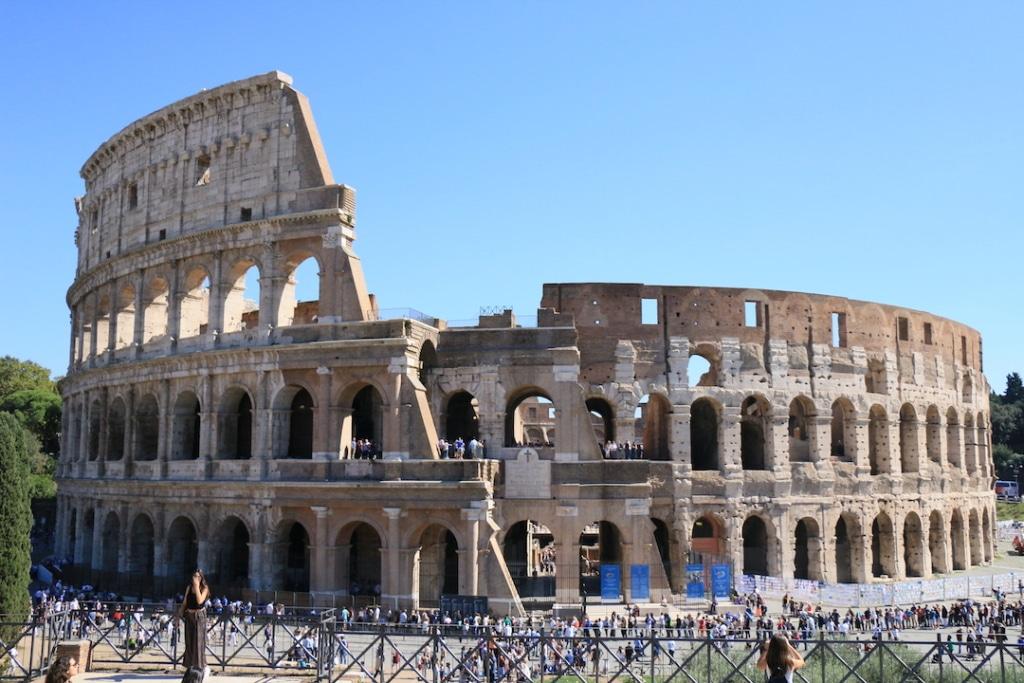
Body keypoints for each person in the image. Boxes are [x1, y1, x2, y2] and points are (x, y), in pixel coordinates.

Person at [177, 570, 211, 681]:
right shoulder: (189, 587)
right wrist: (179, 615)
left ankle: (201, 668)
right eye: (194, 576)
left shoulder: (204, 588)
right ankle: (190, 668)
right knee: (190, 643)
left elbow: (200, 601)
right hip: (189, 617)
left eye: (197, 576)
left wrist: (196, 586)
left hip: (199, 618)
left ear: (201, 578)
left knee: (198, 643)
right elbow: (185, 602)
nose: (195, 578)